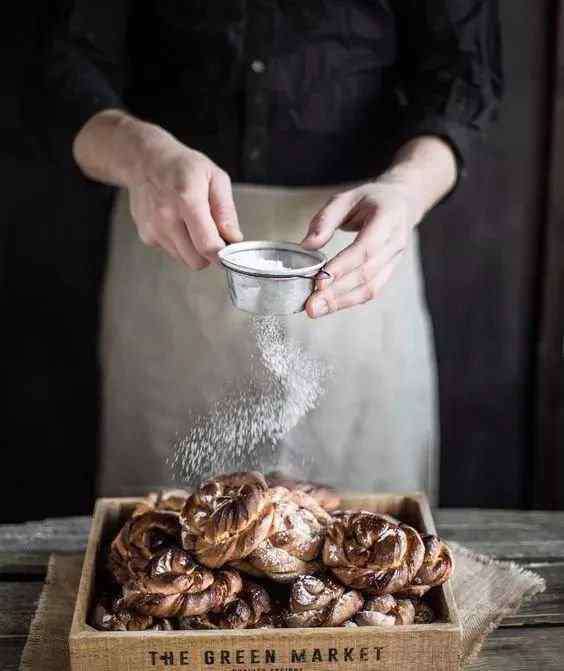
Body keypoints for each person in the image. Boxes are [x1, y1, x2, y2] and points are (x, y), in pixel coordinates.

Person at [37, 1, 502, 498]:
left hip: (356, 261)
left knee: (366, 547)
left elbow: (465, 77)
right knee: (161, 543)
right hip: (171, 243)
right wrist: (139, 153)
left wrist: (407, 192)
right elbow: (61, 62)